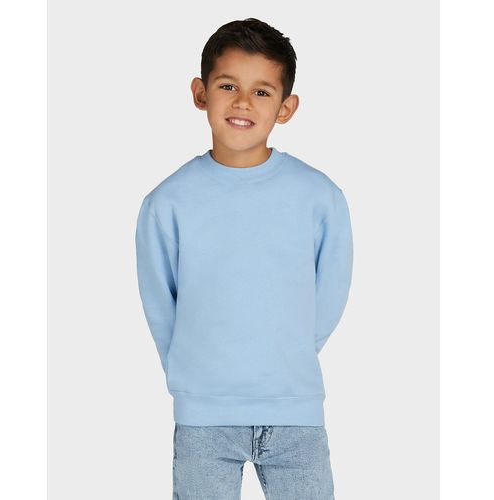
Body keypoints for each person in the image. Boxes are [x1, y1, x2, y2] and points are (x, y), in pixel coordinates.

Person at [135, 17, 353, 500]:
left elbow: (332, 290)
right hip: (204, 417)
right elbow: (159, 302)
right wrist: (194, 376)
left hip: (295, 411)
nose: (242, 102)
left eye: (261, 91)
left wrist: (287, 352)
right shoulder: (168, 202)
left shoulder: (318, 196)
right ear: (200, 93)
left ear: (286, 107)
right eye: (228, 85)